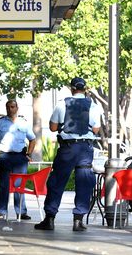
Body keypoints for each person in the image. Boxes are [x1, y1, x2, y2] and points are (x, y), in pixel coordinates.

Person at [35, 77, 101, 232]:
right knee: (84, 183)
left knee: (57, 182)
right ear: (85, 89)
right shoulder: (94, 106)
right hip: (85, 148)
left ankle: (49, 219)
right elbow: (96, 129)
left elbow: (52, 128)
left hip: (68, 149)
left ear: (71, 89)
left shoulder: (61, 104)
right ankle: (78, 221)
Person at [0, 100, 37, 220]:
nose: (10, 109)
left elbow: (32, 139)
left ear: (17, 108)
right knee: (3, 184)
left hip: (20, 156)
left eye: (12, 107)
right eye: (8, 107)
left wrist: (29, 153)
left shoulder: (23, 123)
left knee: (20, 184)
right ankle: (1, 212)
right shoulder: (0, 123)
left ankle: (21, 212)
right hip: (5, 156)